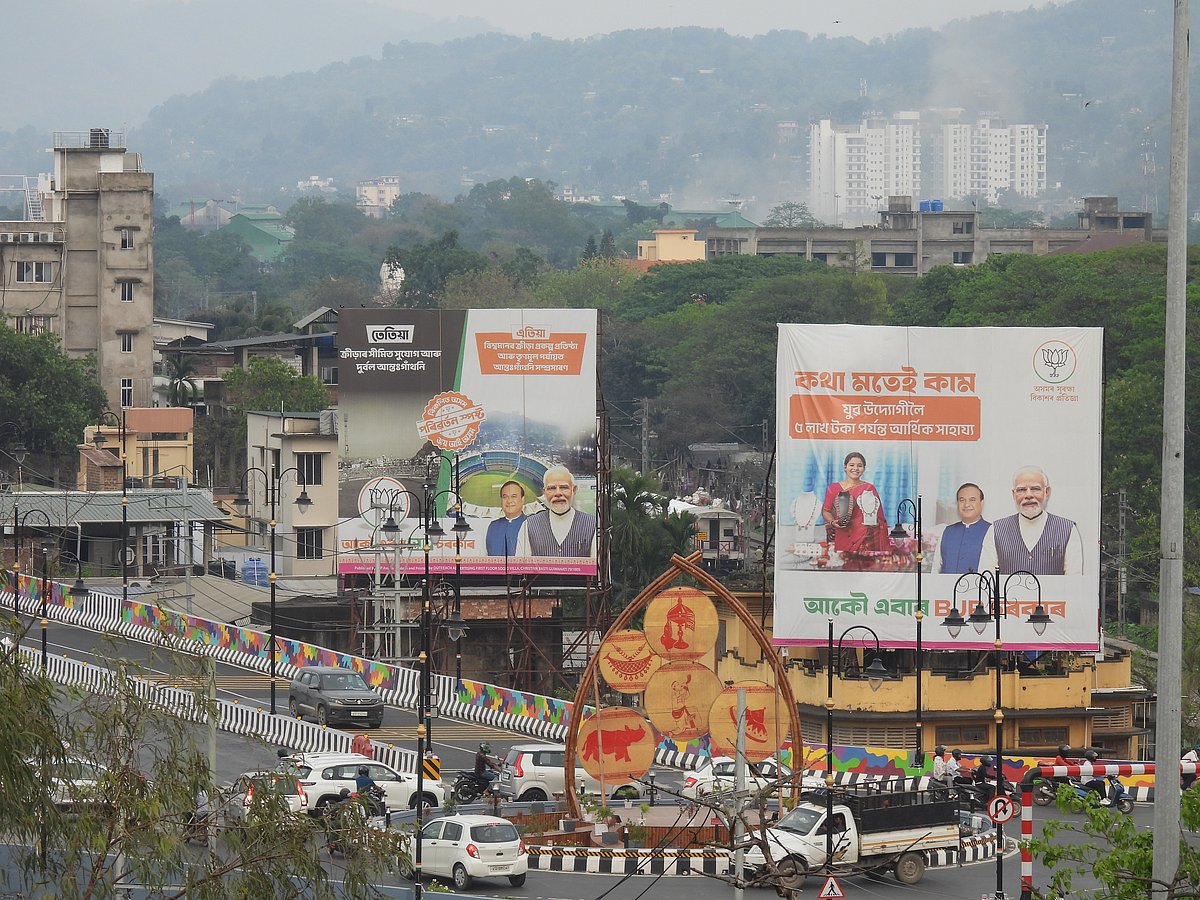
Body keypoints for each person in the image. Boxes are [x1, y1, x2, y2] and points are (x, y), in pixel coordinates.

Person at [978, 466, 1083, 575]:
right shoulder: (996, 530)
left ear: (1046, 492)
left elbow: (1074, 581)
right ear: (1013, 494)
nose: (1028, 495)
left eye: (1035, 489)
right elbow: (986, 580)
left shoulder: (1068, 529)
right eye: (1022, 490)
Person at [820, 451, 891, 571]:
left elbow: (879, 517)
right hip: (842, 533)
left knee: (863, 571)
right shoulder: (834, 488)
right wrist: (833, 522)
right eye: (852, 465)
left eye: (859, 465)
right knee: (844, 568)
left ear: (863, 469)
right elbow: (826, 511)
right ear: (845, 467)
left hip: (864, 538)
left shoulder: (869, 488)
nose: (855, 468)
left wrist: (874, 525)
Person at [514, 465, 597, 558]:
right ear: (544, 492)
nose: (558, 493)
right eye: (552, 488)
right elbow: (521, 568)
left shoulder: (593, 525)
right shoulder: (528, 525)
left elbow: (598, 568)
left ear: (574, 490)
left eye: (564, 487)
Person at [930, 483, 991, 574]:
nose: (966, 505)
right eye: (962, 500)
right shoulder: (947, 531)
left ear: (981, 503)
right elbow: (935, 569)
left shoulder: (992, 531)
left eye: (972, 500)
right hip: (946, 587)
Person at [486, 480, 528, 556]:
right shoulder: (492, 527)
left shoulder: (531, 525)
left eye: (514, 496)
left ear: (522, 500)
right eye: (505, 497)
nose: (509, 501)